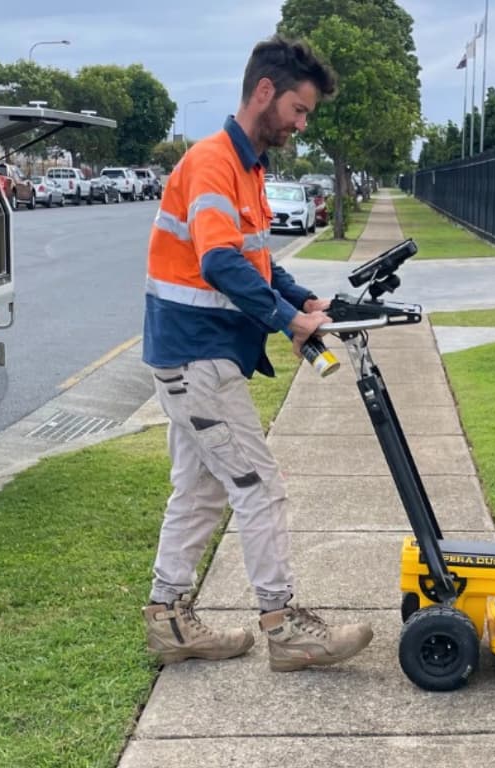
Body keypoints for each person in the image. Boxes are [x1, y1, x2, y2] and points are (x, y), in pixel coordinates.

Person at [140, 36, 373, 672]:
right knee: (260, 486)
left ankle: (168, 621)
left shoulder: (249, 170)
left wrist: (309, 300)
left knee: (200, 491)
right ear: (265, 92)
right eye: (299, 110)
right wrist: (289, 320)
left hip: (198, 357)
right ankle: (285, 626)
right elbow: (218, 263)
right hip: (196, 359)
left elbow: (256, 264)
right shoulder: (214, 163)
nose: (301, 125)